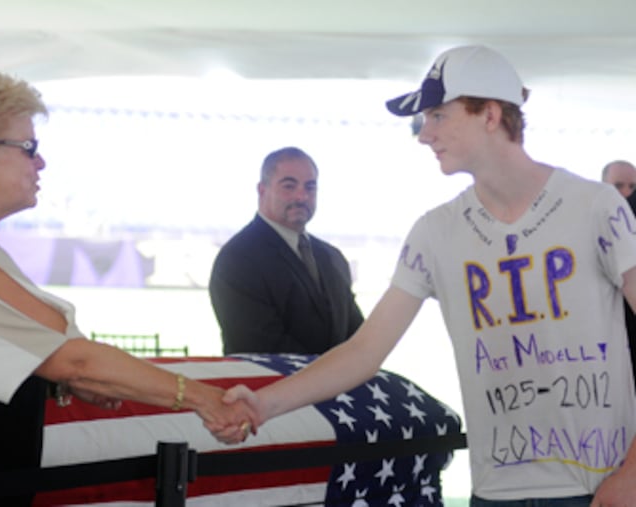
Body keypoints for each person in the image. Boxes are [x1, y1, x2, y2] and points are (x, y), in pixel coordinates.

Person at [216, 45, 636, 506]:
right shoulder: (435, 232)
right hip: (494, 494)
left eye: (438, 115)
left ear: (490, 114)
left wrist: (632, 475)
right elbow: (363, 352)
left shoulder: (597, 207)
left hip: (602, 489)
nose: (424, 134)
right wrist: (262, 404)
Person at [0, 67, 253, 506]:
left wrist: (63, 380)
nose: (40, 162)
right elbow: (74, 360)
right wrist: (204, 398)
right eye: (29, 148)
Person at [208, 146, 364, 354]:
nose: (302, 196)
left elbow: (358, 337)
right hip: (272, 385)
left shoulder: (331, 257)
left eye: (310, 187)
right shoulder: (238, 259)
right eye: (289, 186)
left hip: (339, 385)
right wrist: (333, 378)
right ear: (262, 190)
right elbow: (259, 347)